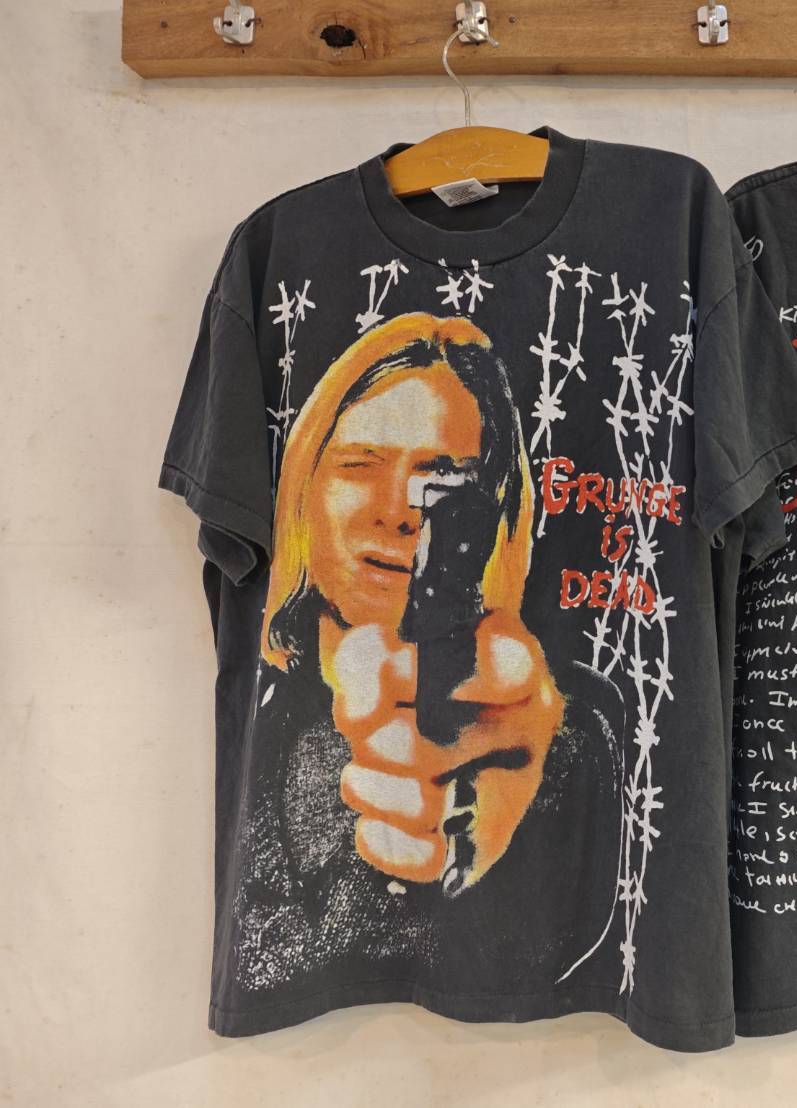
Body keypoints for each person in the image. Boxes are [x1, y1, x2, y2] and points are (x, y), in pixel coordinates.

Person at [233, 312, 626, 996]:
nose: (398, 510)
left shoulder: (561, 726)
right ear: (303, 488)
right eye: (360, 466)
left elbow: (533, 943)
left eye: (442, 477)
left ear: (492, 512)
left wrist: (515, 784)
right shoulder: (258, 709)